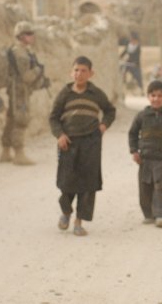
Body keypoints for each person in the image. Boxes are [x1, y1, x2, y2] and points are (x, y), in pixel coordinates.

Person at [49, 56, 116, 236]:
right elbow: (53, 118)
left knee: (88, 183)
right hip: (69, 143)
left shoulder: (96, 93)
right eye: (76, 70)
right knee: (66, 181)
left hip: (91, 142)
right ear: (71, 72)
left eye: (83, 71)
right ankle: (66, 212)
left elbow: (110, 111)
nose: (79, 74)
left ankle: (79, 222)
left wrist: (103, 126)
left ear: (91, 73)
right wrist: (60, 135)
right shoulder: (65, 94)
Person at [128, 80, 162, 228]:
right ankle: (148, 214)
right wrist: (134, 151)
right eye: (153, 95)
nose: (156, 99)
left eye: (160, 96)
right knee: (145, 187)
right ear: (148, 96)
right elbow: (132, 134)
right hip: (145, 159)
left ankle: (160, 214)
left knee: (161, 187)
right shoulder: (142, 116)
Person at [0, 20, 50, 166]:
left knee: (11, 119)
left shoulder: (16, 50)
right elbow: (26, 77)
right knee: (21, 119)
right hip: (20, 91)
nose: (32, 36)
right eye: (29, 34)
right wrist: (38, 70)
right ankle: (19, 154)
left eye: (32, 33)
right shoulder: (21, 53)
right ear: (21, 36)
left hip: (15, 90)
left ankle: (5, 152)